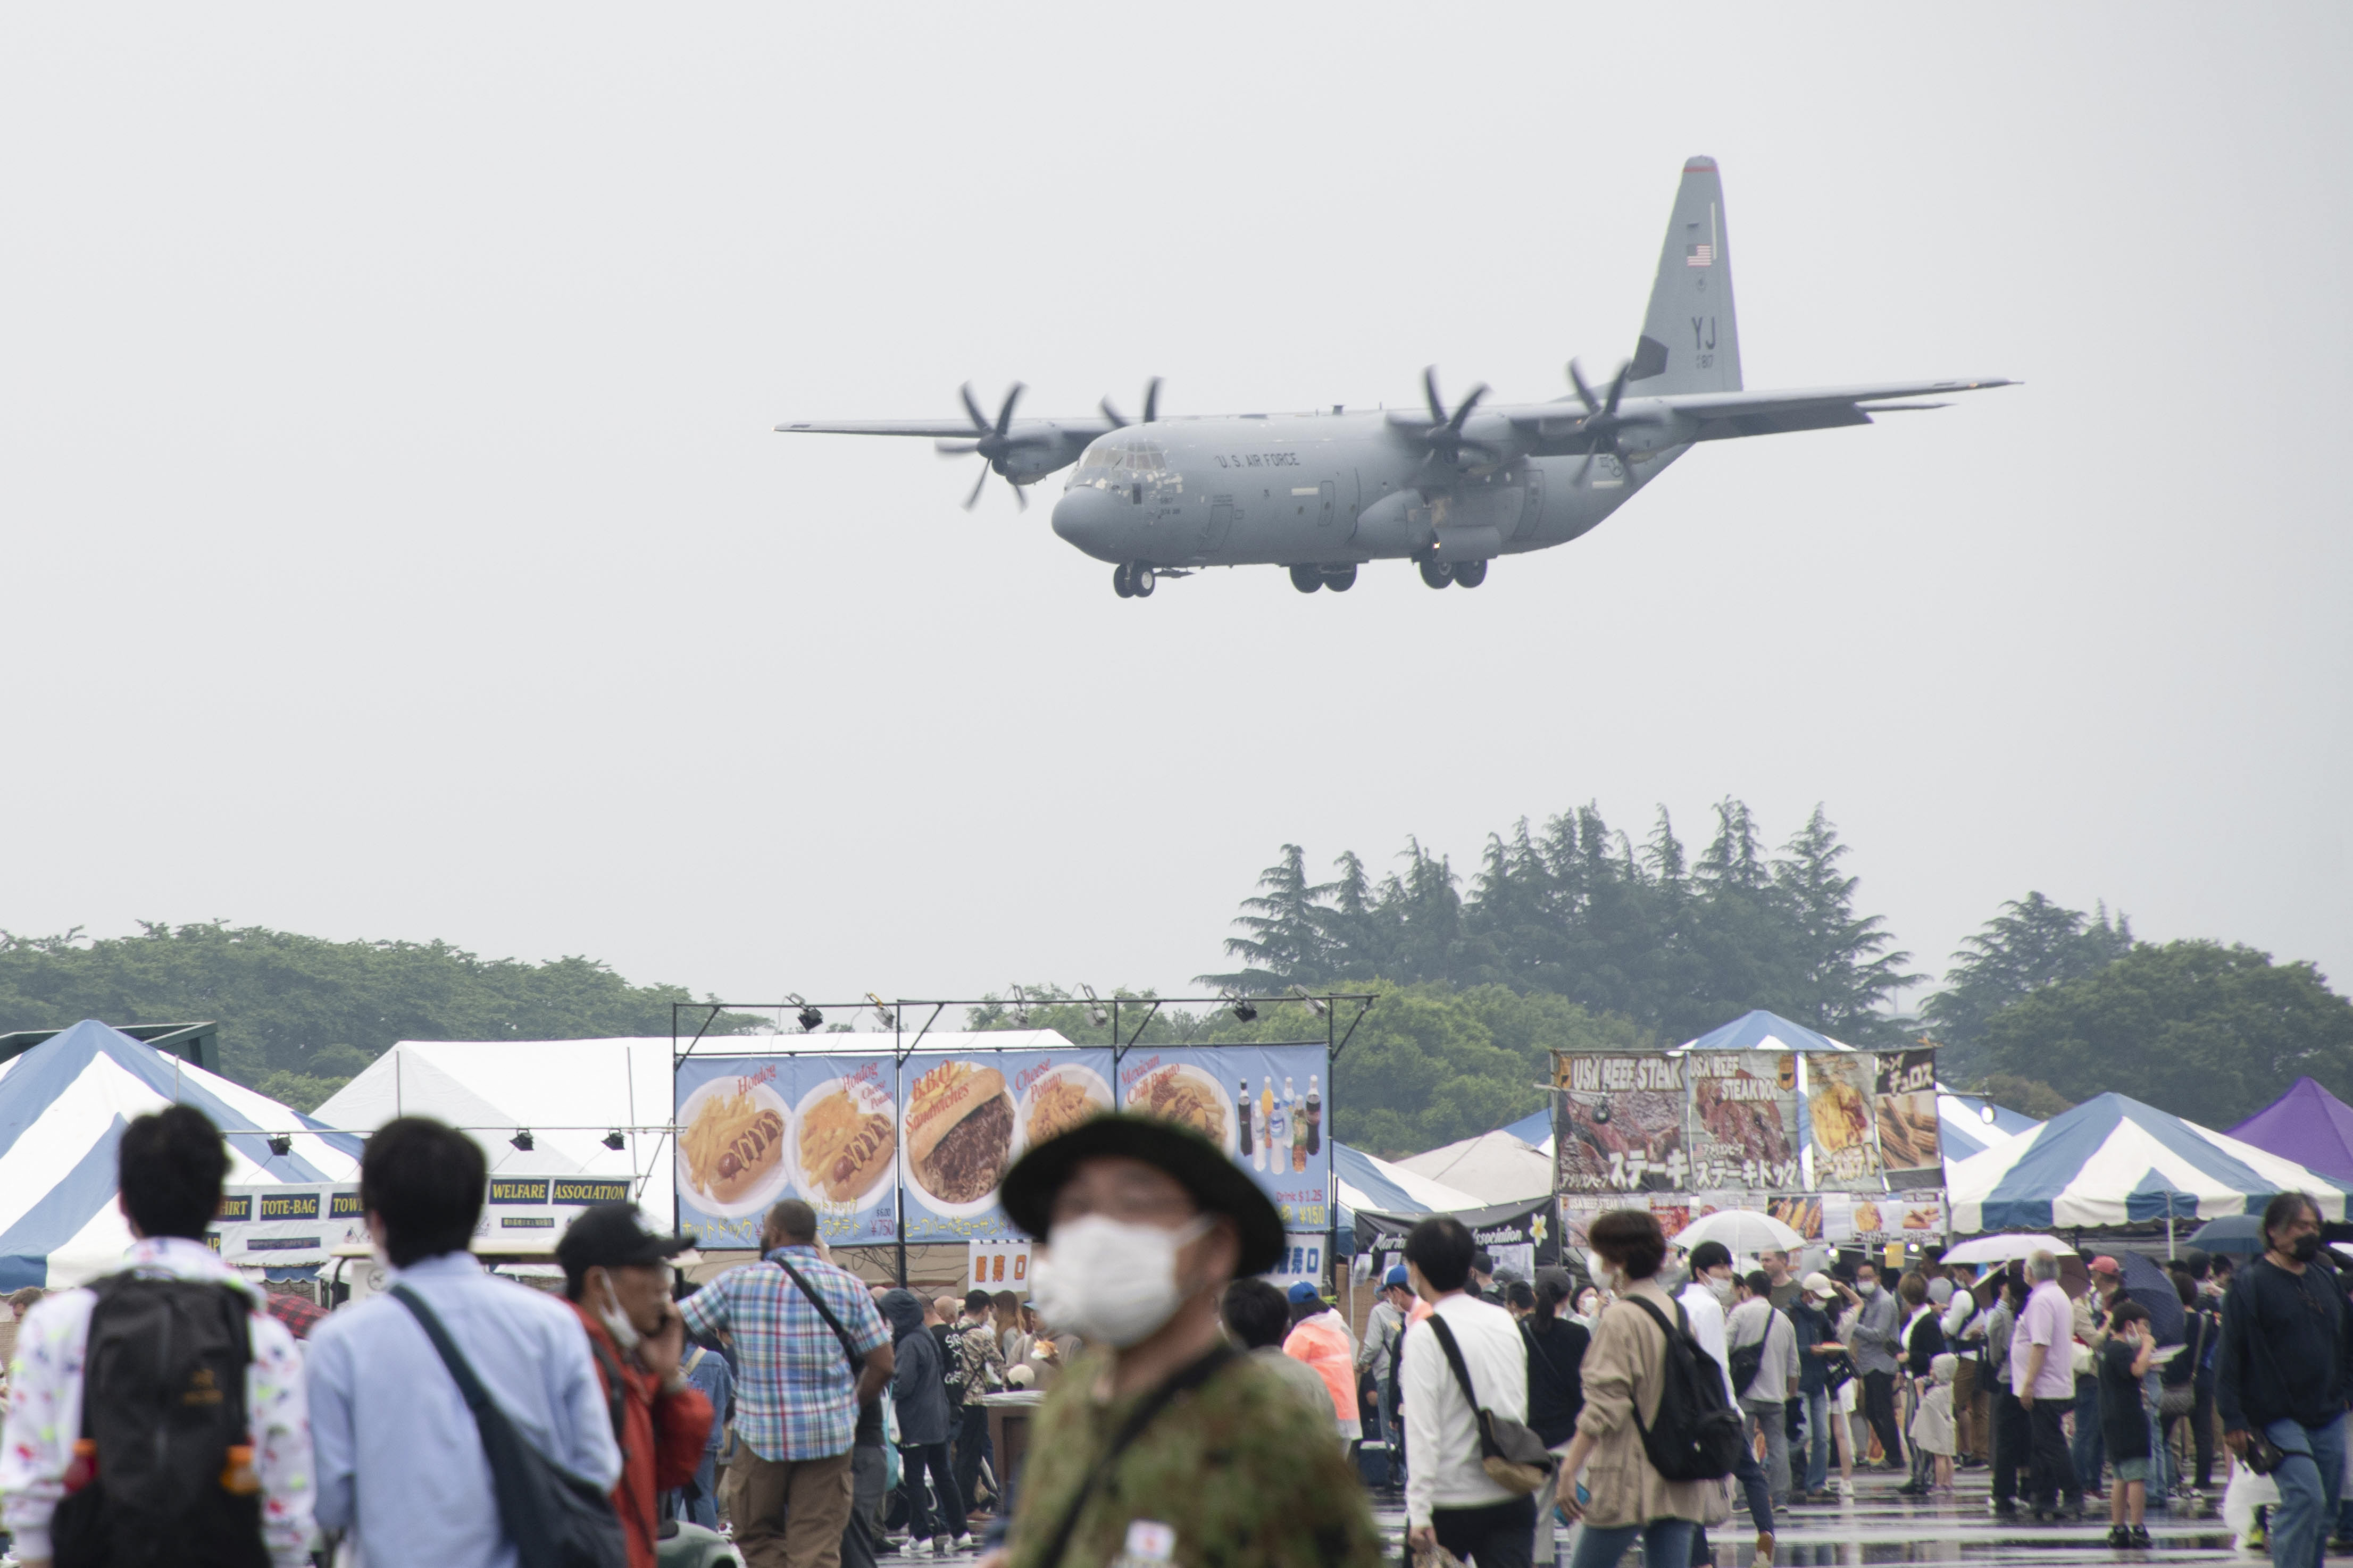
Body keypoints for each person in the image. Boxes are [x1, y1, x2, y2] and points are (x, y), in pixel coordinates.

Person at [994, 1112, 1382, 1568]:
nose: (1098, 1234)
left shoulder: (1270, 1433)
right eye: (1076, 1207)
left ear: (1215, 1247)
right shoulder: (1069, 1405)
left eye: (1135, 1204)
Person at [0, 1105, 314, 1568]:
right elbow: (286, 1493)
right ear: (220, 1203)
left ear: (123, 1202)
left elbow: (28, 1482)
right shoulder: (260, 1333)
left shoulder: (60, 1322)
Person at [306, 1116, 621, 1568]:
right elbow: (597, 1469)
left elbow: (329, 1501)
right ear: (476, 1212)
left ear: (375, 1222)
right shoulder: (552, 1325)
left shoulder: (339, 1343)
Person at [680, 1200, 895, 1568]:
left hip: (762, 1437)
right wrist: (851, 1406)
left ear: (775, 1232)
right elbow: (883, 1363)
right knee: (818, 1543)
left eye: (764, 1227)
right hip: (829, 1438)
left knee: (755, 1533)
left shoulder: (739, 1282)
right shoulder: (850, 1287)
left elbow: (675, 1319)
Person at [1550, 1209, 1716, 1568]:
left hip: (1626, 1474)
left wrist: (1568, 1470)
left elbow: (1603, 1405)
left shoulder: (1620, 1316)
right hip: (1679, 1471)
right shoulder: (1678, 1312)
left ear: (1617, 1260)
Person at [555, 1204, 716, 1568]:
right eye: (649, 1267)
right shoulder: (572, 1367)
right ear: (599, 1283)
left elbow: (668, 1473)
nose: (665, 1282)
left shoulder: (620, 1361)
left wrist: (670, 1377)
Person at [2218, 1190, 2353, 1568]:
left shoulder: (2326, 1280)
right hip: (2276, 1413)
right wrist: (2232, 1417)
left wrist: (2346, 1390)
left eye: (2314, 1226)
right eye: (2300, 1226)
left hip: (2327, 1412)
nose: (2310, 1233)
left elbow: (2347, 1339)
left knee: (2324, 1510)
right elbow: (2230, 1353)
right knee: (2305, 1496)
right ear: (2275, 1231)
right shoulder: (2250, 1283)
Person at [1397, 1215, 1537, 1568]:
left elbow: (1422, 1430)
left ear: (1415, 1270)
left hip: (1448, 1502)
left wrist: (1418, 1511)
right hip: (1510, 1490)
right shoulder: (1504, 1320)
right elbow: (1517, 1402)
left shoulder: (1424, 1335)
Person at [1680, 1241, 1773, 1567]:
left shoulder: (1678, 1304)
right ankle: (1766, 1539)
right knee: (1752, 1475)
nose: (1727, 1274)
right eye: (1721, 1267)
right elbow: (1717, 1362)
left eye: (1728, 1267)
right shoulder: (1709, 1308)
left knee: (1692, 1487)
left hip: (1687, 1410)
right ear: (1701, 1272)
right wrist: (1732, 1406)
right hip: (1717, 1408)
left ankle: (1700, 1559)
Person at [880, 1287, 964, 1555]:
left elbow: (903, 1384)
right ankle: (960, 1532)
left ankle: (921, 1535)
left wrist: (883, 1381)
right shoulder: (925, 1336)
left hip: (916, 1420)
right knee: (943, 1476)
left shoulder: (909, 1343)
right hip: (937, 1418)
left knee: (915, 1478)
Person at [1521, 1267, 1589, 1567]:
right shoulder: (1578, 1334)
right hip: (1573, 1435)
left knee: (1536, 1519)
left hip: (1532, 1437)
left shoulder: (1520, 1331)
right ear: (1569, 1297)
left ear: (1535, 1296)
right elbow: (1586, 1384)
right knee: (1578, 1509)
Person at [2014, 1250, 2085, 1522]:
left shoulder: (2042, 1300)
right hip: (2055, 1381)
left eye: (2025, 1268)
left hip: (2045, 1384)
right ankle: (2044, 1497)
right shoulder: (2057, 1295)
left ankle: (2073, 1493)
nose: (2024, 1273)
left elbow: (2040, 1345)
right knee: (2042, 1445)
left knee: (2051, 1444)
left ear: (2032, 1272)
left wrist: (2029, 1384)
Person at [1222, 1279, 1340, 1432]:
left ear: (1230, 1332)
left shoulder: (1220, 1384)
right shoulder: (1311, 1377)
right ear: (1285, 1328)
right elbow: (1330, 1432)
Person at [1727, 1271, 1798, 1507]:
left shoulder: (1740, 1313)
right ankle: (1780, 1498)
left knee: (1743, 1445)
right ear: (1770, 1292)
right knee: (1778, 1445)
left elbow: (1724, 1346)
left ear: (1747, 1289)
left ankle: (1744, 1497)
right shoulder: (1783, 1319)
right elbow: (1793, 1364)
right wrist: (1790, 1394)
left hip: (1745, 1393)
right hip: (1776, 1395)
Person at [671, 1285, 736, 1529]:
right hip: (706, 1440)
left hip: (673, 1440)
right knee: (703, 1499)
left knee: (673, 1500)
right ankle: (708, 1548)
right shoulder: (716, 1361)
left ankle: (672, 1549)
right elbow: (728, 1395)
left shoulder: (666, 1360)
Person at [2099, 1299, 2156, 1548]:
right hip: (2129, 1418)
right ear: (2129, 1325)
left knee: (2120, 1476)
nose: (2147, 1331)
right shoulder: (2121, 1349)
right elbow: (2137, 1371)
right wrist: (2147, 1346)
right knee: (2136, 1476)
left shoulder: (2111, 1350)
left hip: (2113, 1418)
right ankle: (2138, 1527)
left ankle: (2118, 1527)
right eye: (2144, 1326)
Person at [948, 1290, 1008, 1517]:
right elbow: (999, 1364)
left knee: (959, 1454)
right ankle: (969, 1506)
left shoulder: (953, 1331)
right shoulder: (981, 1335)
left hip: (955, 1400)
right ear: (985, 1309)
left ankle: (958, 1504)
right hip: (974, 1400)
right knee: (972, 1455)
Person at [1282, 1282, 1363, 1447]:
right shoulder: (1340, 1333)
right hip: (1347, 1415)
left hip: (1317, 1418)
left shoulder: (1301, 1336)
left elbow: (1284, 1379)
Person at [1789, 1272, 1846, 1503]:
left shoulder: (1821, 1316)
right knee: (1804, 1435)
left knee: (1823, 1437)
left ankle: (1817, 1484)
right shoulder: (1790, 1315)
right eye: (1819, 1297)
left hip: (1818, 1382)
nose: (1822, 1301)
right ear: (1807, 1294)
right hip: (1799, 1383)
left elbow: (1834, 1339)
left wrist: (1832, 1350)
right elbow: (1788, 1349)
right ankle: (1772, 1465)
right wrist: (1808, 1350)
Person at [2165, 1270, 2218, 1498]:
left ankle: (2170, 1476)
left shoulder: (2166, 1322)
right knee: (2203, 1432)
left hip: (2172, 1380)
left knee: (2164, 1432)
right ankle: (2203, 1480)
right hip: (2201, 1378)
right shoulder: (2206, 1322)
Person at [2073, 1256, 2123, 1501]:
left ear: (2103, 1276)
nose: (2091, 1278)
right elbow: (2093, 1337)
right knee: (2087, 1430)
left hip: (2105, 1370)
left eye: (2094, 1273)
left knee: (2097, 1431)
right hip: (2092, 1370)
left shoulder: (2119, 1301)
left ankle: (2090, 1482)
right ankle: (2082, 1482)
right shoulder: (2088, 1301)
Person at [1849, 1260, 1905, 1473]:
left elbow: (1879, 1335)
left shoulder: (1884, 1302)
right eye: (1861, 1278)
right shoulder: (1868, 1300)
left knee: (1883, 1411)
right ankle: (1891, 1454)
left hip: (1881, 1364)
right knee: (1873, 1411)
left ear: (1878, 1278)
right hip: (1869, 1364)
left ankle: (1894, 1456)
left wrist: (1852, 1326)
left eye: (1868, 1277)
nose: (1864, 1282)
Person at [1894, 1271, 1945, 1496]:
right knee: (1911, 1430)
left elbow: (1937, 1355)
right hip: (1911, 1379)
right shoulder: (1914, 1317)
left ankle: (1923, 1477)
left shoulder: (1928, 1321)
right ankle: (1918, 1474)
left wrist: (1910, 1358)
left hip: (1923, 1382)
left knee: (1919, 1431)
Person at [1357, 1265, 1413, 1463]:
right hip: (1409, 1378)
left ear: (1394, 1291)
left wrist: (1362, 1363)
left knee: (1391, 1428)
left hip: (1386, 1376)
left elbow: (1372, 1345)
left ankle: (1396, 1474)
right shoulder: (1417, 1311)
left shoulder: (1379, 1312)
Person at [1983, 1271, 2026, 1519]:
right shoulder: (2022, 1311)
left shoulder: (2001, 1315)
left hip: (2006, 1378)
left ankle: (2003, 1491)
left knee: (2004, 1439)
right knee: (2022, 1437)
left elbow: (1995, 1354)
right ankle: (2025, 1489)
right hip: (2023, 1379)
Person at [1909, 1353, 1958, 1495]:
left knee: (1940, 1457)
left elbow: (1925, 1405)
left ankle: (1939, 1484)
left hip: (1939, 1427)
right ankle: (1949, 1483)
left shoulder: (1936, 1392)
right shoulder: (1949, 1387)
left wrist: (1919, 1391)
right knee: (1948, 1456)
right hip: (1949, 1425)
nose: (1930, 1372)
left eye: (1933, 1369)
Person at [1759, 1250, 1798, 1314]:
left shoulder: (1798, 1289)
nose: (1763, 1265)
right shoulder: (1760, 1289)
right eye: (1762, 1261)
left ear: (1783, 1261)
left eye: (1767, 1260)